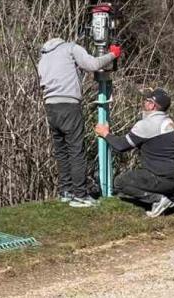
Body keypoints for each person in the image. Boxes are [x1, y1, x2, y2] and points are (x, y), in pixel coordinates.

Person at [38, 36, 120, 208]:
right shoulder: (70, 48)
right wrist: (112, 54)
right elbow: (92, 65)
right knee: (76, 150)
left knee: (61, 152)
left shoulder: (44, 56)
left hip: (50, 107)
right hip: (69, 104)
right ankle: (80, 195)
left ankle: (66, 191)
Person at [95, 88, 174, 218]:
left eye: (147, 100)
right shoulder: (168, 121)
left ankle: (158, 199)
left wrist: (105, 133)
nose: (144, 103)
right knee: (149, 174)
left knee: (120, 182)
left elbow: (121, 146)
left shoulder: (147, 124)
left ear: (152, 105)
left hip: (162, 176)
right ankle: (169, 194)